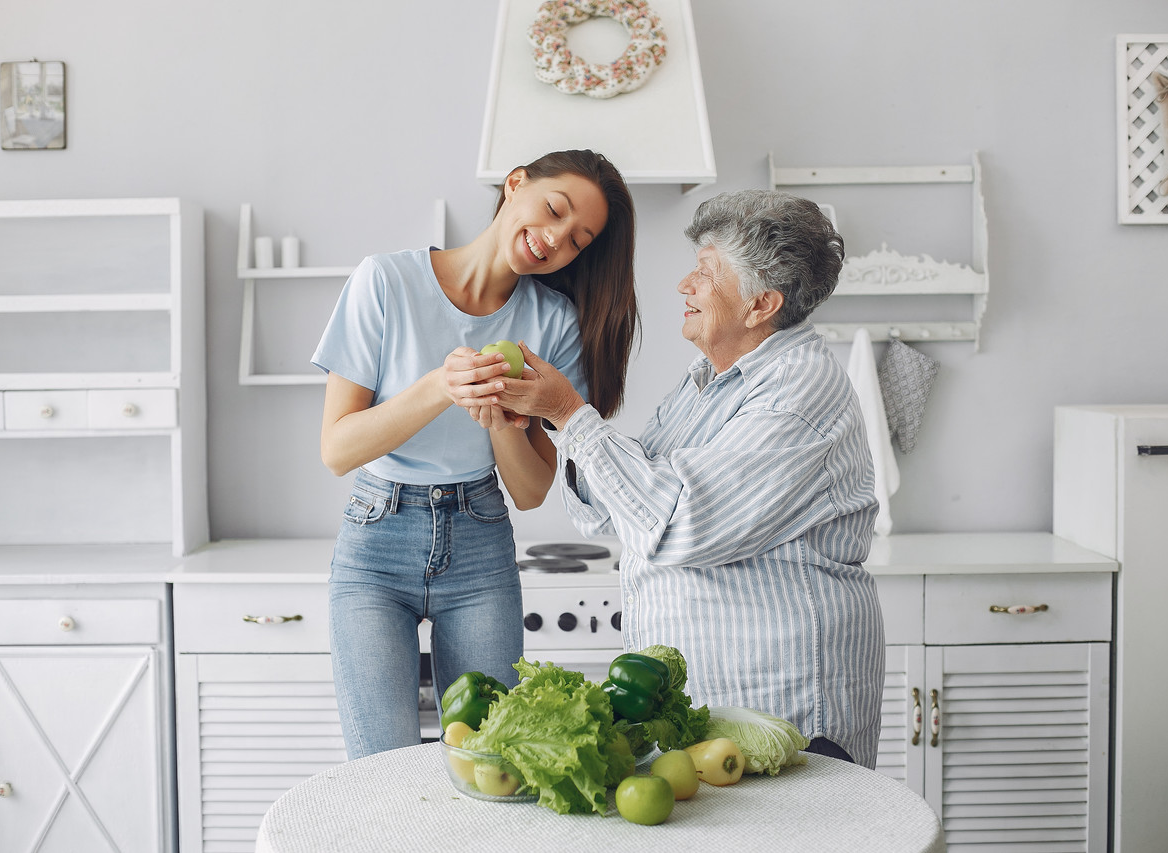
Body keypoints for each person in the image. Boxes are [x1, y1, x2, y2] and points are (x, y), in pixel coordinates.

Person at [472, 189, 885, 767]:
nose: (684, 286)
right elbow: (610, 511)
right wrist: (551, 420)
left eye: (705, 274)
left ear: (761, 304)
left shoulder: (799, 391)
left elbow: (680, 526)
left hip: (783, 708)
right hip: (714, 708)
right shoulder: (706, 382)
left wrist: (569, 413)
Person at [311, 149, 638, 760]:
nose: (555, 239)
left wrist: (499, 423)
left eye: (577, 239)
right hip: (377, 542)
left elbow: (531, 489)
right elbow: (337, 448)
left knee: (492, 762)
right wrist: (441, 385)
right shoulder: (385, 281)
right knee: (381, 767)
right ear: (516, 184)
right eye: (553, 210)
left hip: (480, 542)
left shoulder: (554, 322)